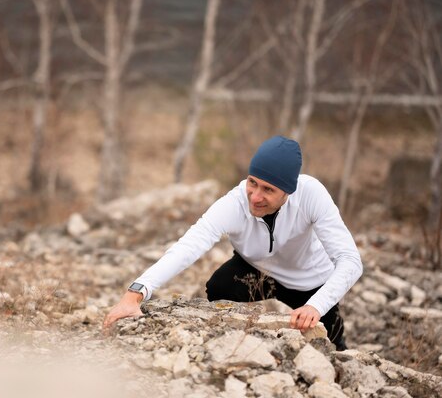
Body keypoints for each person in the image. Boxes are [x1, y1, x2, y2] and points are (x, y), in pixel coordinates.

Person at [102, 135, 362, 350]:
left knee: (333, 346)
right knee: (219, 286)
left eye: (268, 190)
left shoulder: (311, 194)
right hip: (255, 271)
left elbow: (351, 261)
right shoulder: (234, 203)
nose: (255, 197)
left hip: (310, 282)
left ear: (288, 192)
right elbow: (189, 245)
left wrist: (316, 305)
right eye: (252, 183)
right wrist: (135, 293)